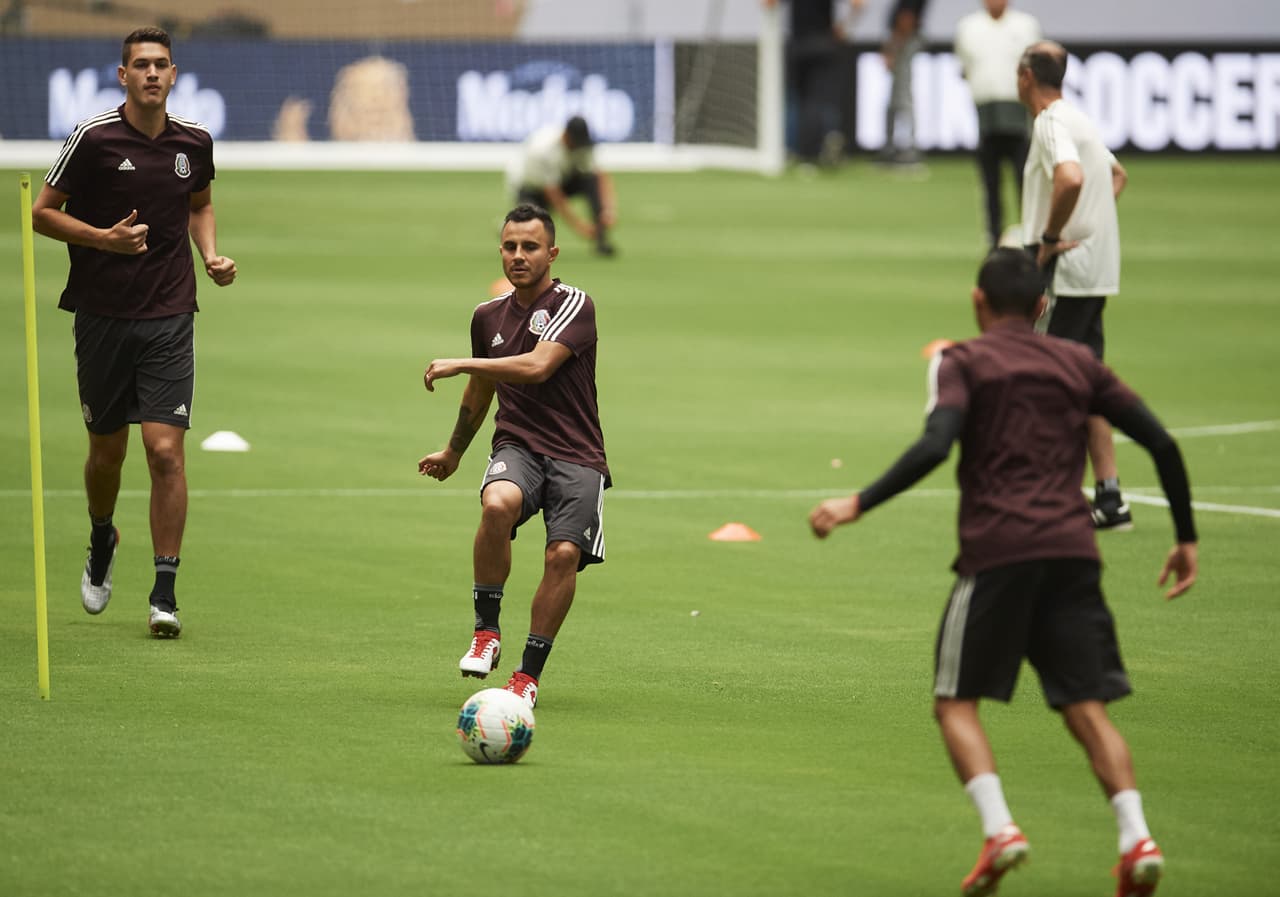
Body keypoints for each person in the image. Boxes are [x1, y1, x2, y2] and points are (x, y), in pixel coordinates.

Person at [808, 248, 1197, 897]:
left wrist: (858, 502)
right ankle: (1137, 837)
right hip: (1073, 552)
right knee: (1086, 707)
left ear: (977, 301)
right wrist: (1185, 538)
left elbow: (936, 444)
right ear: (1043, 305)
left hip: (1000, 552)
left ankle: (1000, 830)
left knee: (955, 701)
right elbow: (1161, 442)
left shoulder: (961, 361)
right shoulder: (1079, 361)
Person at [31, 26, 237, 639]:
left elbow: (199, 203)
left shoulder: (194, 141)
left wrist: (210, 254)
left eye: (161, 64)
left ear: (174, 75)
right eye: (141, 65)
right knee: (107, 454)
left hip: (170, 314)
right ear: (123, 75)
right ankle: (102, 536)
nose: (152, 73)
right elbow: (41, 213)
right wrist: (104, 239)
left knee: (165, 452)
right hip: (101, 315)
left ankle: (164, 592)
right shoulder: (92, 137)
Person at [419, 204, 610, 709]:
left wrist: (463, 362)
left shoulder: (574, 303)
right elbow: (482, 390)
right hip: (518, 445)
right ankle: (486, 632)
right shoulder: (487, 317)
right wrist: (454, 451)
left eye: (530, 247)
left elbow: (538, 366)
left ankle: (527, 676)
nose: (518, 256)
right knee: (496, 504)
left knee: (562, 555)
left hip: (577, 454)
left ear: (552, 252)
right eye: (510, 247)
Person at [1018, 40, 1132, 530]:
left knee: (1049, 383)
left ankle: (1053, 495)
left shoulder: (1050, 123)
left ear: (1026, 77)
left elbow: (1069, 178)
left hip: (1065, 272)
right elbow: (1117, 176)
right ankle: (1109, 498)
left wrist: (1050, 239)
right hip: (1095, 269)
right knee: (1088, 382)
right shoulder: (1079, 119)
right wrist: (1090, 226)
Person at [954, 0, 1041, 248]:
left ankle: (1032, 235)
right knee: (990, 182)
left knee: (1025, 179)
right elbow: (964, 66)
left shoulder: (1026, 26)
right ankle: (993, 236)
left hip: (1017, 112)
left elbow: (1034, 69)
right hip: (985, 113)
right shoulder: (968, 28)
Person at [764, 0, 865, 168]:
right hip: (823, 44)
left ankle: (805, 152)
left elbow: (768, 3)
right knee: (819, 100)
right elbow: (858, 4)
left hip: (800, 46)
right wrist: (844, 26)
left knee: (803, 101)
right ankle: (822, 144)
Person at [508, 116, 617, 256]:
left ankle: (601, 239)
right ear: (566, 135)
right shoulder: (543, 150)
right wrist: (579, 226)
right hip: (530, 188)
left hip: (562, 178)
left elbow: (599, 175)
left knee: (590, 181)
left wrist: (608, 210)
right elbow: (554, 194)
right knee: (532, 222)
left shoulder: (582, 145)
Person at [881, 0, 929, 165]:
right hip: (904, 41)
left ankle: (909, 149)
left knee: (904, 102)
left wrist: (894, 46)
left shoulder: (907, 31)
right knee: (895, 103)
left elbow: (906, 19)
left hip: (906, 43)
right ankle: (892, 147)